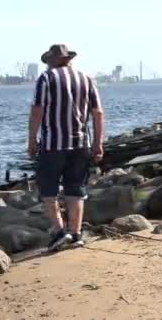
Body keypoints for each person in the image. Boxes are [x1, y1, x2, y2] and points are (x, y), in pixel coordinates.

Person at [27, 44, 105, 250]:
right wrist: (98, 144)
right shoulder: (86, 79)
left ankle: (60, 231)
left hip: (54, 143)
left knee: (48, 189)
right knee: (76, 188)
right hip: (80, 143)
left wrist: (32, 139)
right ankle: (76, 233)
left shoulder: (46, 78)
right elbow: (98, 113)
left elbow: (37, 110)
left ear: (53, 60)